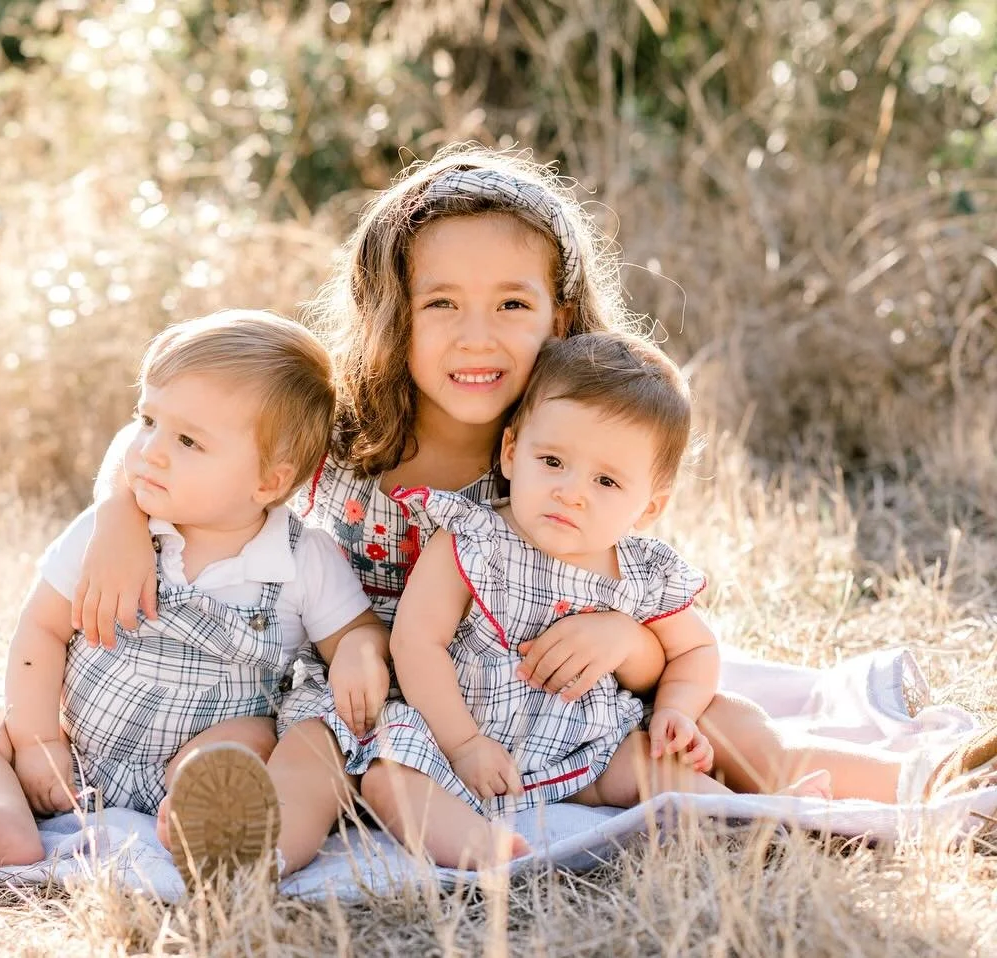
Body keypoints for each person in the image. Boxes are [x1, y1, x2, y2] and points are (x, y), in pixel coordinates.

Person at [74, 145, 997, 880]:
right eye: (442, 303)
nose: (477, 337)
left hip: (538, 678)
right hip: (361, 683)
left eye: (511, 303)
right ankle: (246, 855)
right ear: (394, 312)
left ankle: (921, 784)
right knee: (313, 757)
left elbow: (647, 616)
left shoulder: (565, 439)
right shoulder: (339, 426)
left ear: (558, 316)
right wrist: (120, 509)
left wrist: (623, 644)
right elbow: (169, 432)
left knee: (723, 717)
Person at [0, 310, 389, 891]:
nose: (151, 451)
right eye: (148, 420)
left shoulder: (301, 558)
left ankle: (206, 820)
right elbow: (40, 630)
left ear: (269, 480)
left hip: (199, 757)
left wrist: (357, 653)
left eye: (188, 440)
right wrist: (39, 742)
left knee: (258, 739)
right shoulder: (109, 532)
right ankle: (4, 821)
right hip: (73, 752)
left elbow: (357, 631)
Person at [360, 332, 830, 868]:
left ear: (648, 506)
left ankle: (752, 826)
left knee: (655, 766)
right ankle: (480, 849)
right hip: (458, 732)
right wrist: (463, 743)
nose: (572, 491)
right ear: (512, 452)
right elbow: (417, 641)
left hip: (586, 741)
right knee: (387, 771)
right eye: (553, 461)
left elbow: (695, 650)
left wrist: (676, 711)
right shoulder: (471, 539)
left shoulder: (640, 569)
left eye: (606, 480)